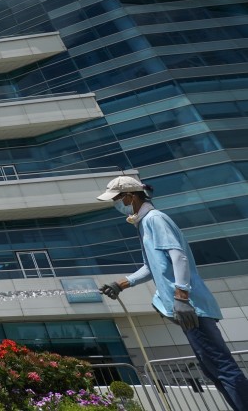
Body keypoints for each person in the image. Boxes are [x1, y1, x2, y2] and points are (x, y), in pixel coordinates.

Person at [97, 174, 248, 411]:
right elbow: (153, 265)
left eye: (117, 199)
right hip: (185, 307)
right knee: (212, 368)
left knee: (222, 367)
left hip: (191, 307)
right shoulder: (144, 223)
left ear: (129, 196)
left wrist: (181, 297)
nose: (116, 204)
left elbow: (178, 256)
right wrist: (122, 283)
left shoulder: (155, 219)